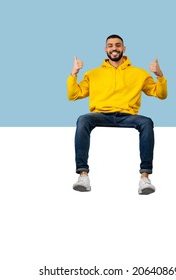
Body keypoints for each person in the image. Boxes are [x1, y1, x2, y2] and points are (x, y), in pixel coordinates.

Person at [67, 34, 167, 195]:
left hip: (127, 116)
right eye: (110, 45)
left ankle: (144, 177)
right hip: (101, 114)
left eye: (118, 45)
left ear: (124, 49)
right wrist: (74, 74)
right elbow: (73, 95)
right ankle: (83, 175)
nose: (114, 48)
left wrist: (159, 75)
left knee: (146, 122)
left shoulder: (139, 73)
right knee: (83, 120)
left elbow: (160, 94)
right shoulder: (93, 74)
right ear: (106, 49)